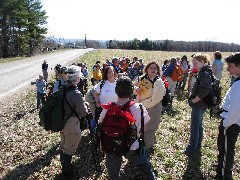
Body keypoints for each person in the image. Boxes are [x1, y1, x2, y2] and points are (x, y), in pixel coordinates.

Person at [98, 76, 157, 180]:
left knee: (113, 169)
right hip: (132, 146)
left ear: (116, 91)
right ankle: (152, 178)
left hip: (111, 144)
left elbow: (100, 124)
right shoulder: (138, 108)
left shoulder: (109, 107)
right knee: (143, 163)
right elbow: (144, 129)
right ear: (131, 91)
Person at [60, 65, 88, 178]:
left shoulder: (64, 88)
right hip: (72, 124)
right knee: (69, 149)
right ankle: (67, 173)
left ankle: (65, 167)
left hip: (62, 122)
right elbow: (83, 113)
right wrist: (85, 105)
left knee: (63, 146)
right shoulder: (75, 93)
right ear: (77, 78)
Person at [216, 53, 240, 180]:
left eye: (230, 66)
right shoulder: (238, 81)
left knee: (226, 150)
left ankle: (224, 176)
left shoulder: (239, 85)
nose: (227, 69)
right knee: (226, 149)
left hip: (231, 123)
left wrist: (226, 123)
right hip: (232, 122)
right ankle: (222, 169)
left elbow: (236, 109)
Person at [185, 53, 212, 156]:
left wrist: (194, 100)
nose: (193, 65)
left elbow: (204, 90)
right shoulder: (204, 72)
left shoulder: (204, 74)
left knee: (195, 126)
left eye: (195, 63)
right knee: (199, 125)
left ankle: (192, 148)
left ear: (202, 62)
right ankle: (198, 144)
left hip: (199, 104)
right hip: (201, 104)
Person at [134, 61, 165, 151]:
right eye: (151, 68)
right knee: (141, 128)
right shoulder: (141, 78)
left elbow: (153, 100)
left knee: (149, 129)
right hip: (141, 108)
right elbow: (133, 88)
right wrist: (136, 90)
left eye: (155, 68)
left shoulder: (159, 82)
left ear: (158, 70)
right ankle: (149, 145)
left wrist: (138, 103)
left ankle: (146, 149)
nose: (153, 70)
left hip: (153, 109)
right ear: (146, 69)